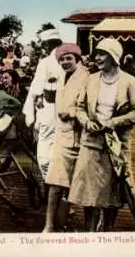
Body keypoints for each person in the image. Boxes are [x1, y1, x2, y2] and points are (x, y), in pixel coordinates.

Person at [68, 38, 135, 232]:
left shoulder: (129, 82)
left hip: (116, 143)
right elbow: (80, 107)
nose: (98, 58)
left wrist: (112, 123)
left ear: (114, 57)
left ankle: (107, 229)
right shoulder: (90, 80)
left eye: (102, 54)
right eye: (97, 54)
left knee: (113, 190)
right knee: (88, 190)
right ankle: (90, 230)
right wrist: (86, 122)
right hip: (91, 141)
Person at [43, 43, 89, 232]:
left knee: (86, 187)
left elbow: (91, 105)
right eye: (61, 59)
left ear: (77, 59)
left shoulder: (88, 77)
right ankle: (49, 225)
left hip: (83, 138)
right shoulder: (62, 77)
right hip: (63, 137)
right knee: (55, 183)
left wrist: (71, 112)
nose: (65, 62)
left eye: (68, 58)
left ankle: (90, 229)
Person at [22, 28, 64, 180]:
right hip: (60, 108)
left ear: (47, 45)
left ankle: (49, 179)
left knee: (45, 145)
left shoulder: (46, 62)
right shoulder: (68, 60)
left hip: (50, 108)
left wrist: (36, 101)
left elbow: (36, 88)